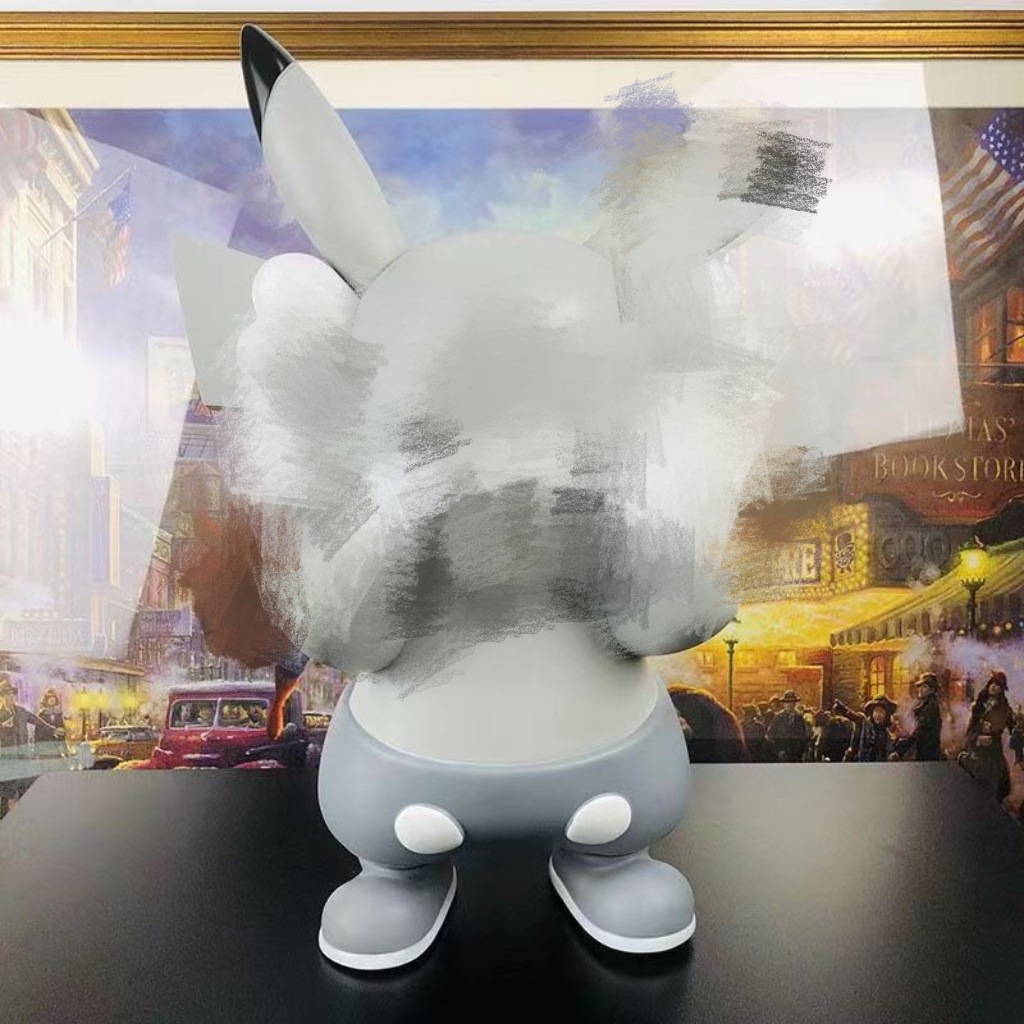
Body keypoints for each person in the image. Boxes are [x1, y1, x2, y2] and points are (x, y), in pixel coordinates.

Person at [959, 671, 1016, 802]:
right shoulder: (978, 706)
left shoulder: (1005, 709)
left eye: (998, 685)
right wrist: (977, 739)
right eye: (992, 683)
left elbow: (1013, 729)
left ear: (1002, 689)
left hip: (993, 752)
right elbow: (970, 730)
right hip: (976, 750)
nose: (994, 687)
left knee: (992, 789)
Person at [890, 673, 943, 762]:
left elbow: (919, 730)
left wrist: (900, 751)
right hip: (924, 752)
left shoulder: (931, 707)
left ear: (932, 690)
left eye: (924, 687)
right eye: (920, 686)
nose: (920, 689)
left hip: (927, 755)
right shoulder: (923, 705)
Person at [766, 689, 809, 762]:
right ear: (784, 704)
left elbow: (803, 736)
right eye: (787, 702)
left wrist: (800, 751)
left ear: (795, 703)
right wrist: (778, 750)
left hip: (796, 755)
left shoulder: (799, 717)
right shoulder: (778, 717)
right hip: (781, 754)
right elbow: (770, 735)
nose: (790, 704)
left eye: (792, 702)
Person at [856, 695, 897, 762]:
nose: (878, 715)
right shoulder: (866, 727)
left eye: (882, 712)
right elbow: (862, 751)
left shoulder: (886, 733)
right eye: (876, 711)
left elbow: (888, 751)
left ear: (886, 715)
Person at [35, 687, 67, 758]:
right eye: (50, 698)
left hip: (56, 746)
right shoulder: (42, 714)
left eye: (53, 698)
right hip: (45, 746)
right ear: (46, 700)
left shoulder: (58, 714)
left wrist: (65, 750)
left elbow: (63, 730)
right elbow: (38, 732)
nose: (52, 700)